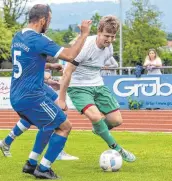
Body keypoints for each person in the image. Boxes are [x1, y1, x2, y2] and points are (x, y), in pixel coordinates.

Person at [6, 4, 91, 179]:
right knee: (65, 126)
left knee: (47, 126)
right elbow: (70, 55)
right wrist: (83, 34)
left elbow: (27, 61)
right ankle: (43, 169)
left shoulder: (18, 36)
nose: (49, 24)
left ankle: (31, 164)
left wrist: (50, 65)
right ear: (43, 20)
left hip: (17, 95)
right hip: (31, 96)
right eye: (49, 21)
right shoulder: (39, 40)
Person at [58, 15, 136, 165]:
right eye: (107, 36)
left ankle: (99, 129)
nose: (110, 40)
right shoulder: (85, 47)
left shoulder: (109, 48)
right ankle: (118, 148)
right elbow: (67, 71)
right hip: (78, 87)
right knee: (95, 117)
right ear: (99, 32)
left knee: (116, 120)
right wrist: (61, 98)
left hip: (97, 84)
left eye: (113, 36)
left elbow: (100, 64)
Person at [0, 64, 79, 161]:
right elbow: (32, 64)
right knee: (59, 111)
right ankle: (56, 153)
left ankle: (7, 142)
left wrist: (48, 79)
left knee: (33, 117)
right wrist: (48, 70)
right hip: (32, 86)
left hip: (33, 84)